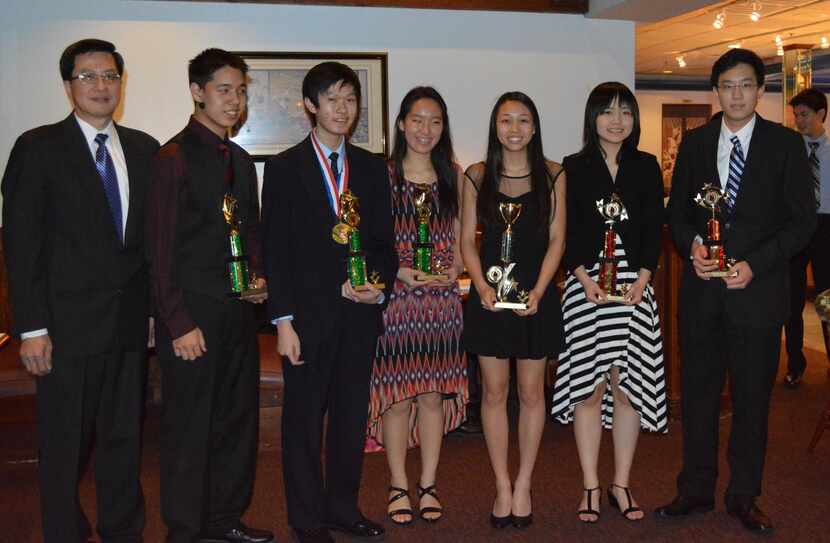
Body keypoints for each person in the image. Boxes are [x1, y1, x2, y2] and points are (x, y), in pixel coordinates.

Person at [1, 39, 158, 543]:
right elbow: (22, 245)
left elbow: (149, 243)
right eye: (87, 76)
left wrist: (154, 312)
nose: (100, 86)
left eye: (109, 76)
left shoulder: (143, 148)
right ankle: (64, 532)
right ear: (68, 85)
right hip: (63, 331)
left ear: (122, 82)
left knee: (124, 439)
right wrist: (31, 328)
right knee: (64, 445)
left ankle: (122, 530)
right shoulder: (38, 146)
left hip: (129, 325)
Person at [658, 48, 815, 534]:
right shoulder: (696, 143)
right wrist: (694, 247)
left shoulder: (786, 146)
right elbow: (678, 216)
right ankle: (696, 490)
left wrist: (755, 265)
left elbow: (802, 223)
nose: (737, 94)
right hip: (703, 296)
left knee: (751, 404)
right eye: (728, 86)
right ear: (716, 91)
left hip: (759, 297)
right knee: (700, 399)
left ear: (760, 90)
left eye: (746, 85)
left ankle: (744, 496)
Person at [262, 61, 398, 543]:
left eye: (350, 99)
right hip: (306, 319)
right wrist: (282, 320)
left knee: (349, 418)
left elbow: (384, 243)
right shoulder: (282, 168)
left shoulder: (371, 167)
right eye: (332, 99)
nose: (343, 109)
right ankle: (306, 519)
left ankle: (343, 508)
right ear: (310, 106)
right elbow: (275, 251)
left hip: (359, 317)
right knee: (302, 423)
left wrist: (376, 286)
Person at [146, 48, 273, 543]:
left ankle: (225, 521)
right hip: (192, 318)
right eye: (224, 90)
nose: (234, 100)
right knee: (188, 431)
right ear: (197, 92)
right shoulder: (172, 158)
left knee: (236, 424)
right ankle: (185, 531)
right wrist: (176, 322)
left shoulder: (240, 160)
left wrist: (259, 279)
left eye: (241, 91)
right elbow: (159, 251)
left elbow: (250, 234)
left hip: (238, 314)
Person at [550, 82, 666, 524]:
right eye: (607, 112)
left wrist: (644, 279)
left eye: (625, 112)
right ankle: (590, 486)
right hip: (587, 289)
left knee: (627, 387)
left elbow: (654, 227)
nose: (617, 121)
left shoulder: (647, 165)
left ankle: (621, 483)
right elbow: (568, 229)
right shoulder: (573, 167)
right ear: (592, 117)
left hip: (635, 288)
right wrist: (581, 277)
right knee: (590, 388)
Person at [460, 91, 566, 529]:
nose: (515, 129)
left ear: (535, 127)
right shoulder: (476, 175)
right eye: (506, 121)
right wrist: (482, 286)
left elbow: (558, 239)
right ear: (495, 127)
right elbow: (468, 240)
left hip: (535, 300)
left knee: (531, 393)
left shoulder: (555, 173)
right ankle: (501, 483)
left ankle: (524, 483)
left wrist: (540, 290)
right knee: (494, 393)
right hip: (489, 300)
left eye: (523, 120)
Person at [365, 86, 468, 526]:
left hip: (441, 303)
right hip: (398, 302)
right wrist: (399, 271)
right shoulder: (381, 175)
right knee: (396, 398)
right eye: (418, 120)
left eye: (435, 121)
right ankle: (396, 484)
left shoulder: (454, 175)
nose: (426, 130)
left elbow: (463, 237)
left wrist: (456, 269)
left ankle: (427, 483)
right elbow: (371, 241)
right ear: (402, 123)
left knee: (430, 396)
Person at [784, 88, 830, 388]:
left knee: (827, 300)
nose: (799, 121)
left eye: (805, 115)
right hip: (796, 226)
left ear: (822, 114)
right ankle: (795, 364)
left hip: (827, 227)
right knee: (792, 301)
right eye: (796, 115)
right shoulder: (789, 150)